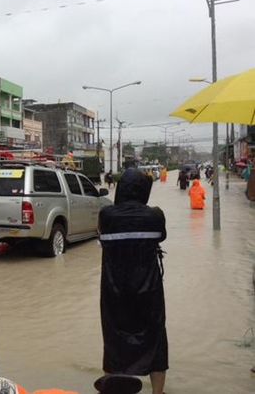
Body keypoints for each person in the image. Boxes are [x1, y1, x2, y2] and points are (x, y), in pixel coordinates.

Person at [98, 168, 168, 394]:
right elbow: (161, 236)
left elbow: (102, 237)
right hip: (149, 291)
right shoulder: (155, 216)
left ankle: (111, 388)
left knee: (113, 339)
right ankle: (158, 392)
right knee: (155, 339)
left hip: (114, 290)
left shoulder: (106, 215)